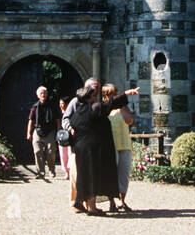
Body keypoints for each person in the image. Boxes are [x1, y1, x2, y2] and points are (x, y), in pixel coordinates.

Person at [67, 79, 138, 214]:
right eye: (93, 96)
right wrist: (126, 94)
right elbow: (110, 104)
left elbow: (74, 128)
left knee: (83, 177)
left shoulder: (77, 113)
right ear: (88, 97)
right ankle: (92, 207)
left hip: (80, 149)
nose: (96, 97)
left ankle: (79, 202)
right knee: (92, 176)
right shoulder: (95, 108)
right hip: (92, 149)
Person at [101, 83, 136, 213]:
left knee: (124, 175)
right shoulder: (103, 108)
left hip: (124, 144)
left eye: (115, 93)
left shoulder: (123, 107)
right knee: (111, 175)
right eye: (110, 93)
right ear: (105, 95)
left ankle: (122, 201)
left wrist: (121, 106)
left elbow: (130, 120)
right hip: (110, 146)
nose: (113, 96)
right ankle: (111, 203)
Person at [26, 85, 58, 179]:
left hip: (50, 131)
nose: (43, 95)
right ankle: (40, 172)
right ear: (38, 95)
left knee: (51, 152)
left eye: (44, 93)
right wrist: (29, 133)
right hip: (38, 131)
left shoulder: (52, 106)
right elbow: (31, 120)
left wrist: (59, 130)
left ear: (47, 94)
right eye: (41, 93)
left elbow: (57, 119)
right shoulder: (35, 107)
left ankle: (51, 170)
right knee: (37, 151)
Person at [57, 96, 72, 187]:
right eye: (60, 104)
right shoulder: (59, 113)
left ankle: (70, 171)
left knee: (70, 153)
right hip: (62, 135)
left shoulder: (71, 112)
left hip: (69, 135)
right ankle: (66, 171)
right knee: (63, 154)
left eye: (62, 103)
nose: (61, 105)